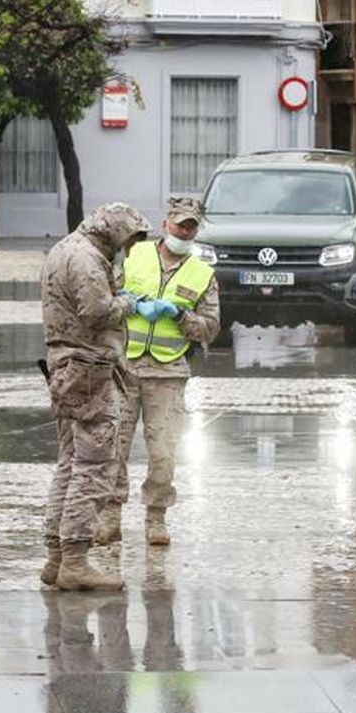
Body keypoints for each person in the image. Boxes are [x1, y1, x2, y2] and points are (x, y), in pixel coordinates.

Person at [95, 194, 220, 548]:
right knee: (113, 445)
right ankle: (109, 516)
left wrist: (179, 316)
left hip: (167, 374)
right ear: (166, 223)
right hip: (125, 366)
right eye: (180, 224)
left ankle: (155, 518)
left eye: (191, 227)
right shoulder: (135, 255)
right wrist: (131, 303)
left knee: (163, 451)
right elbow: (108, 296)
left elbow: (210, 328)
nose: (185, 231)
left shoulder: (202, 274)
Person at [40, 202, 151, 591]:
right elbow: (96, 310)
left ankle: (56, 558)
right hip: (88, 369)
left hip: (68, 366)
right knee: (93, 466)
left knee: (69, 464)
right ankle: (74, 560)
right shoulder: (86, 258)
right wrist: (129, 303)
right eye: (129, 239)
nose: (129, 247)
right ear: (115, 233)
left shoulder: (65, 249)